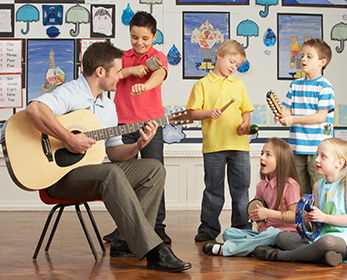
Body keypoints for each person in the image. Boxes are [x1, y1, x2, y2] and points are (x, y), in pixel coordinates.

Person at [24, 41, 191, 273]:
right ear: (100, 72)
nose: (120, 77)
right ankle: (154, 250)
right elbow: (34, 110)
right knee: (109, 174)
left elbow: (114, 153)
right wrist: (69, 138)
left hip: (90, 173)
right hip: (59, 179)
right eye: (117, 72)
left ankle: (124, 240)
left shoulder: (108, 106)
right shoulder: (72, 92)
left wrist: (138, 145)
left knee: (153, 168)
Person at [105, 11, 171, 244]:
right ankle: (123, 228)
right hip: (122, 124)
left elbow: (160, 73)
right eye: (135, 37)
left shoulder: (158, 56)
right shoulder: (121, 57)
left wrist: (145, 86)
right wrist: (131, 71)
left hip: (152, 124)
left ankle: (157, 226)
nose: (140, 43)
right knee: (122, 179)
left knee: (156, 173)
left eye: (145, 38)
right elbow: (113, 75)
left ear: (154, 36)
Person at [186, 39, 254, 242]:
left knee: (241, 190)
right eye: (232, 62)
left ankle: (242, 227)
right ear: (218, 55)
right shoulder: (202, 85)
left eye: (237, 65)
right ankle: (208, 228)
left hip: (239, 145)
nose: (234, 67)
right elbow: (192, 113)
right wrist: (208, 113)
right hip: (214, 146)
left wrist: (244, 124)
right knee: (213, 190)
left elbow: (246, 111)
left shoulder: (239, 84)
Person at [254, 138, 347, 267]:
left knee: (328, 242)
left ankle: (280, 256)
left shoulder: (345, 184)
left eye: (323, 156)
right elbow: (317, 223)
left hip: (342, 239)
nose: (317, 159)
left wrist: (325, 217)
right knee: (281, 237)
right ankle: (325, 257)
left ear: (339, 163)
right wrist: (309, 218)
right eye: (317, 155)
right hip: (319, 237)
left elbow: (327, 218)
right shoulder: (317, 186)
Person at [202, 137, 302, 256]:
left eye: (268, 155)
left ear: (281, 160)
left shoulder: (290, 185)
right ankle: (256, 248)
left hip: (286, 235)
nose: (262, 157)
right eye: (262, 153)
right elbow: (256, 208)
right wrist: (261, 222)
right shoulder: (262, 186)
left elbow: (295, 216)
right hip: (267, 234)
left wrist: (268, 213)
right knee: (228, 233)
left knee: (272, 234)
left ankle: (226, 249)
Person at [276, 38, 335, 195]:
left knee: (319, 190)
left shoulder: (325, 87)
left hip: (318, 150)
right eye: (302, 56)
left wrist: (292, 119)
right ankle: (304, 220)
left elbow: (320, 117)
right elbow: (287, 110)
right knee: (299, 190)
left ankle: (320, 220)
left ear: (322, 62)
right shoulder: (295, 85)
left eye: (309, 56)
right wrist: (283, 117)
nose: (303, 59)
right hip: (296, 147)